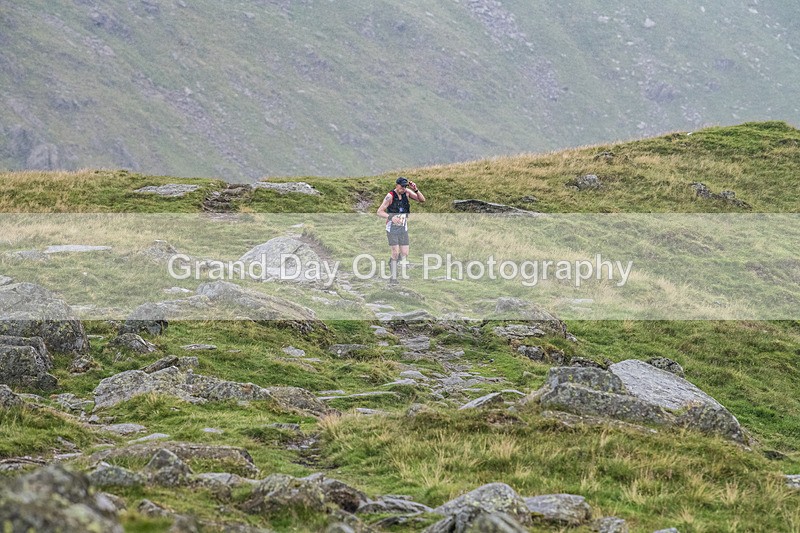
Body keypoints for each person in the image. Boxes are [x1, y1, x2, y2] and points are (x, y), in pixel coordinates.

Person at [376, 176, 426, 283]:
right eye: (402, 186)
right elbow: (379, 211)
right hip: (392, 228)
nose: (403, 188)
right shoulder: (390, 196)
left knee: (405, 253)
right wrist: (391, 217)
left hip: (403, 227)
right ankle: (393, 278)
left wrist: (415, 189)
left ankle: (392, 262)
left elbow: (422, 200)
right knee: (395, 252)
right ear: (397, 185)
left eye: (405, 186)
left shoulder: (407, 193)